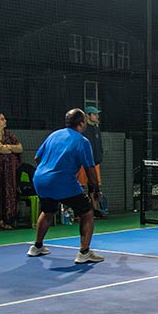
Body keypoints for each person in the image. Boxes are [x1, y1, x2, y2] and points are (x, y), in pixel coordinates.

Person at [27, 108, 105, 264]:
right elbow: (90, 170)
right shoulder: (82, 141)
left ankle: (37, 247)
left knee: (48, 210)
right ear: (82, 124)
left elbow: (37, 157)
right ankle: (84, 252)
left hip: (40, 179)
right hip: (62, 182)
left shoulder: (54, 135)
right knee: (87, 211)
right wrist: (96, 190)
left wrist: (49, 170)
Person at [78, 105, 106, 218]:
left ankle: (94, 210)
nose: (97, 116)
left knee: (94, 187)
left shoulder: (96, 128)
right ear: (87, 115)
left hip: (95, 163)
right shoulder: (82, 129)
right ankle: (79, 212)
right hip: (83, 164)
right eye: (95, 114)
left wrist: (100, 155)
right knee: (81, 186)